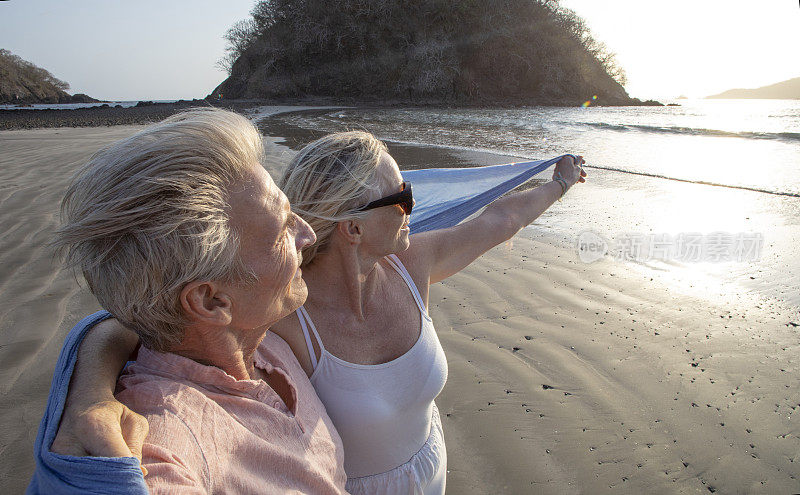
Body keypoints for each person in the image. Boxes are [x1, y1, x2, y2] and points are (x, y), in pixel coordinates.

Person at [53, 130, 586, 494]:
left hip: (429, 466)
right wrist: (93, 409)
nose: (306, 234)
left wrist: (559, 182)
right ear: (352, 228)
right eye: (401, 197)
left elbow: (499, 219)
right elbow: (146, 341)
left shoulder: (396, 271)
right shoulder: (273, 319)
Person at [33, 108, 348, 494]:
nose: (308, 235)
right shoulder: (166, 449)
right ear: (211, 301)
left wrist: (88, 390)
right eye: (283, 228)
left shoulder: (263, 334)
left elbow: (112, 324)